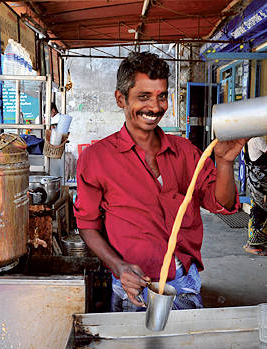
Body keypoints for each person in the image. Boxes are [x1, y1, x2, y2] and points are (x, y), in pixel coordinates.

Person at [74, 52, 246, 312]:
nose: (155, 107)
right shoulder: (96, 158)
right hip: (131, 284)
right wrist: (118, 267)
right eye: (144, 97)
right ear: (121, 98)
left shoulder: (185, 152)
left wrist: (224, 163)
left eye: (161, 96)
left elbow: (219, 204)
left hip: (183, 281)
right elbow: (87, 225)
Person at [243, 136, 267, 255]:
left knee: (258, 210)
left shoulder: (249, 140)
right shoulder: (258, 139)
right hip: (260, 185)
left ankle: (257, 242)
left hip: (256, 182)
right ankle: (253, 244)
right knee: (259, 211)